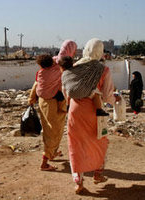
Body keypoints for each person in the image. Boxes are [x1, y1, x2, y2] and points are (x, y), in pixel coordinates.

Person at [65, 38, 120, 194]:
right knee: (99, 141)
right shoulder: (103, 70)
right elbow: (108, 95)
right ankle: (97, 174)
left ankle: (78, 181)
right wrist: (115, 99)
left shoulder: (75, 67)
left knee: (76, 144)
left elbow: (66, 89)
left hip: (75, 110)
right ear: (100, 51)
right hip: (95, 112)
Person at [28, 40, 77, 171]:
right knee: (52, 130)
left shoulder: (51, 65)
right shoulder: (58, 66)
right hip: (49, 102)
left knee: (58, 128)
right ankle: (45, 161)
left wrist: (31, 98)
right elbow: (37, 83)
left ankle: (53, 152)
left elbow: (36, 83)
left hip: (55, 101)